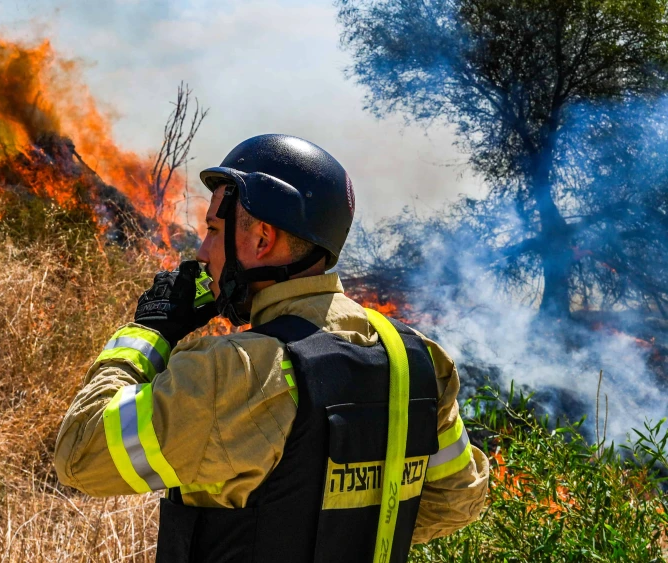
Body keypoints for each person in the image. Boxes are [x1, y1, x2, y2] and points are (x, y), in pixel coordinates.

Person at [54, 134, 489, 563]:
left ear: (262, 239)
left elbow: (81, 453)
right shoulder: (419, 359)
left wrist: (151, 332)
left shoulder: (234, 371)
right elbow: (456, 501)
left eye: (213, 230)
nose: (203, 252)